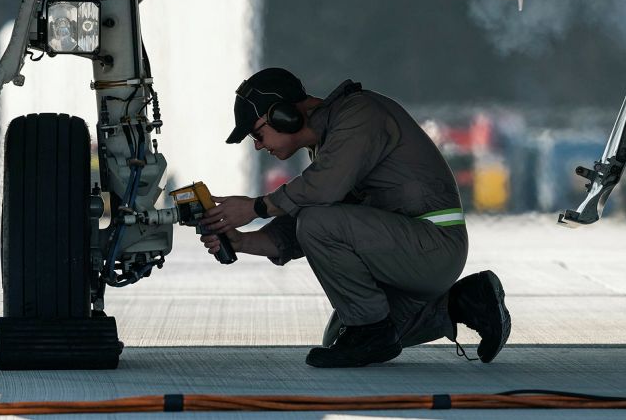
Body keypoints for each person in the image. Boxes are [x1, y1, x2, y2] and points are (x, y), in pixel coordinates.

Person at [200, 67, 511, 368]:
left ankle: (372, 331)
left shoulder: (359, 115)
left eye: (258, 133)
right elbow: (305, 218)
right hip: (408, 251)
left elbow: (322, 191)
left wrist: (255, 207)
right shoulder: (328, 142)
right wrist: (240, 241)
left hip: (433, 243)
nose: (258, 146)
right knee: (339, 336)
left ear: (284, 115)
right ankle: (465, 302)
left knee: (364, 321)